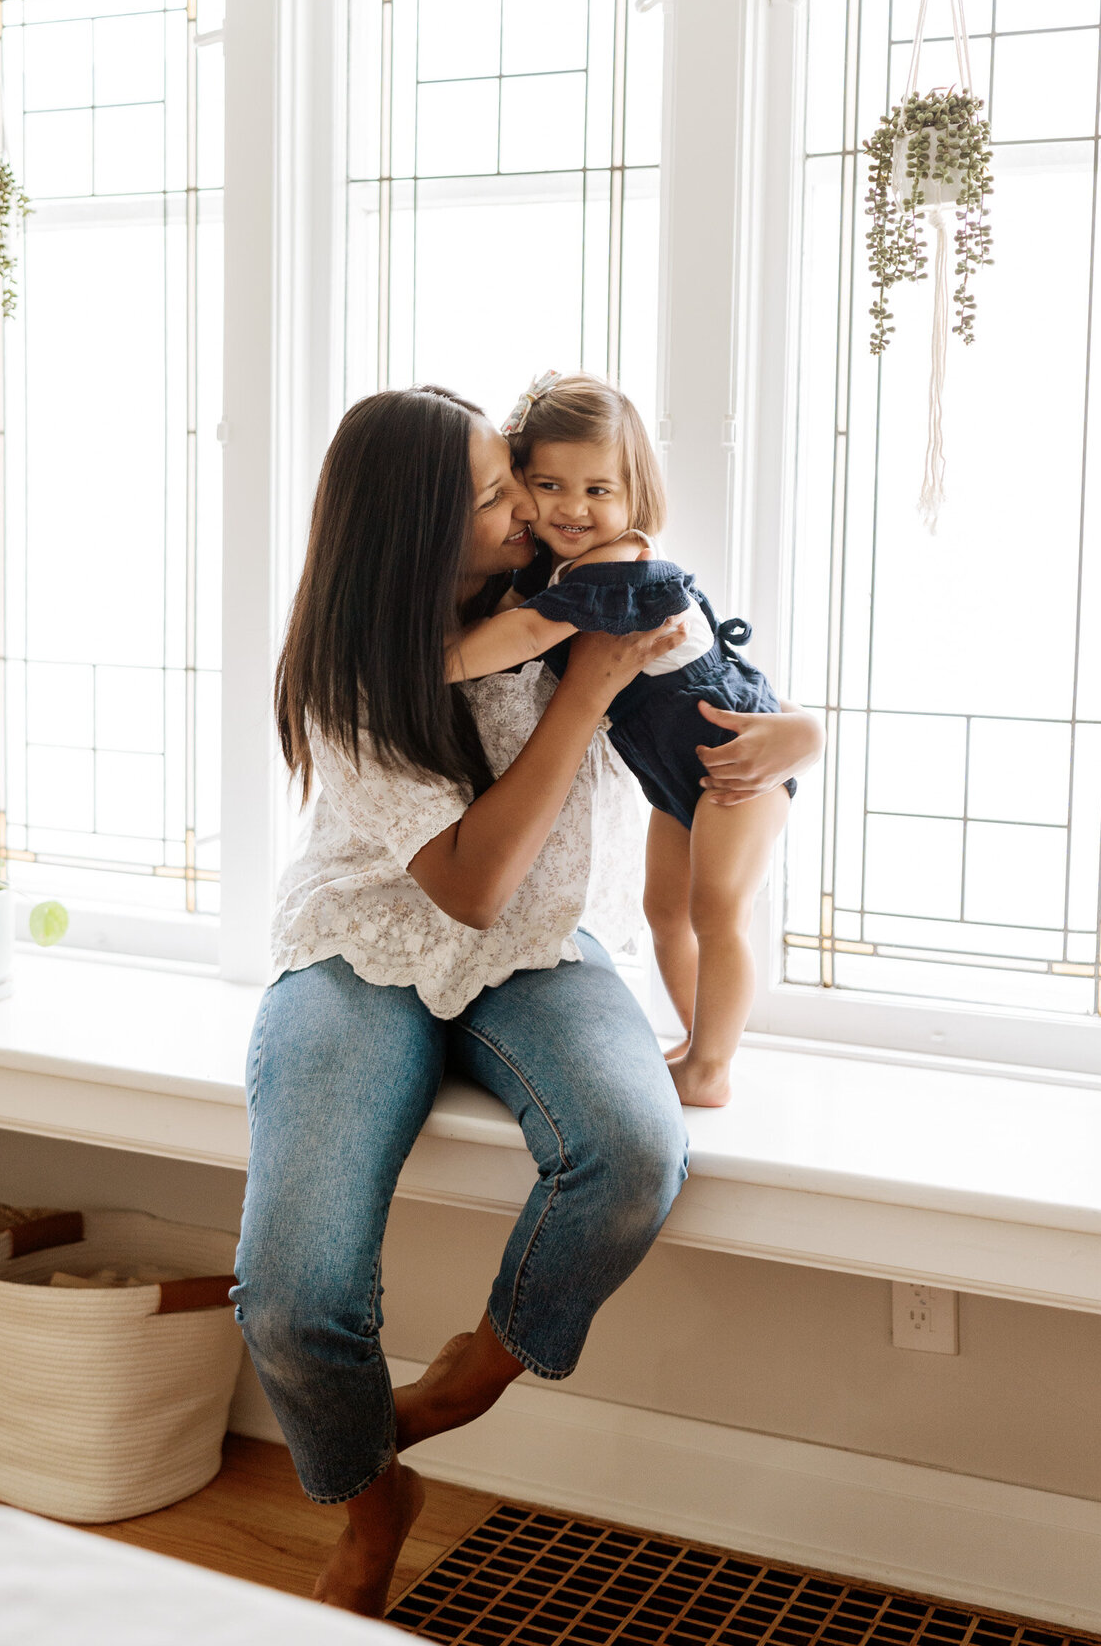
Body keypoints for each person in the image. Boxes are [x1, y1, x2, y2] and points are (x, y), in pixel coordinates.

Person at [232, 384, 818, 1616]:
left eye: (524, 480)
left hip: (543, 955)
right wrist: (587, 691)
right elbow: (470, 888)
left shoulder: (571, 591)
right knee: (293, 1294)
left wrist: (800, 735)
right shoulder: (354, 668)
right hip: (364, 948)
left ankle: (465, 1382)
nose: (531, 509)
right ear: (414, 527)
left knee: (632, 1150)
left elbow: (720, 680)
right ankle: (368, 1492)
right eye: (499, 494)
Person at [447, 373, 825, 1109]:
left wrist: (442, 660)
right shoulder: (562, 569)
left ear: (633, 495)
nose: (574, 508)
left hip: (733, 767)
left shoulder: (620, 566)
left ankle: (713, 1068)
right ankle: (692, 1037)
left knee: (717, 910)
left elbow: (525, 632)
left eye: (598, 491)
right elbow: (523, 611)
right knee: (665, 911)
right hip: (675, 775)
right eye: (549, 485)